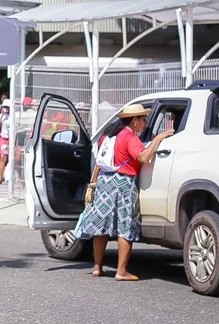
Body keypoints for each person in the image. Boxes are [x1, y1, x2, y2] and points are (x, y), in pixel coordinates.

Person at [74, 104, 174, 280]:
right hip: (123, 183)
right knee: (125, 225)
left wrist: (93, 183)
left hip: (105, 181)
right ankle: (121, 271)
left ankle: (97, 267)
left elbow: (99, 162)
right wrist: (157, 139)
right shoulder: (130, 138)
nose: (145, 124)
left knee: (102, 225)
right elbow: (143, 157)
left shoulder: (110, 137)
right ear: (134, 121)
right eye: (143, 120)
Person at [0, 100, 12, 185]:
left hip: (12, 138)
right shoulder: (1, 116)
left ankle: (17, 178)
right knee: (2, 158)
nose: (5, 109)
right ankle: (0, 177)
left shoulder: (13, 116)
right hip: (3, 138)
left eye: (7, 107)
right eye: (4, 107)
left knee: (13, 158)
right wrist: (1, 116)